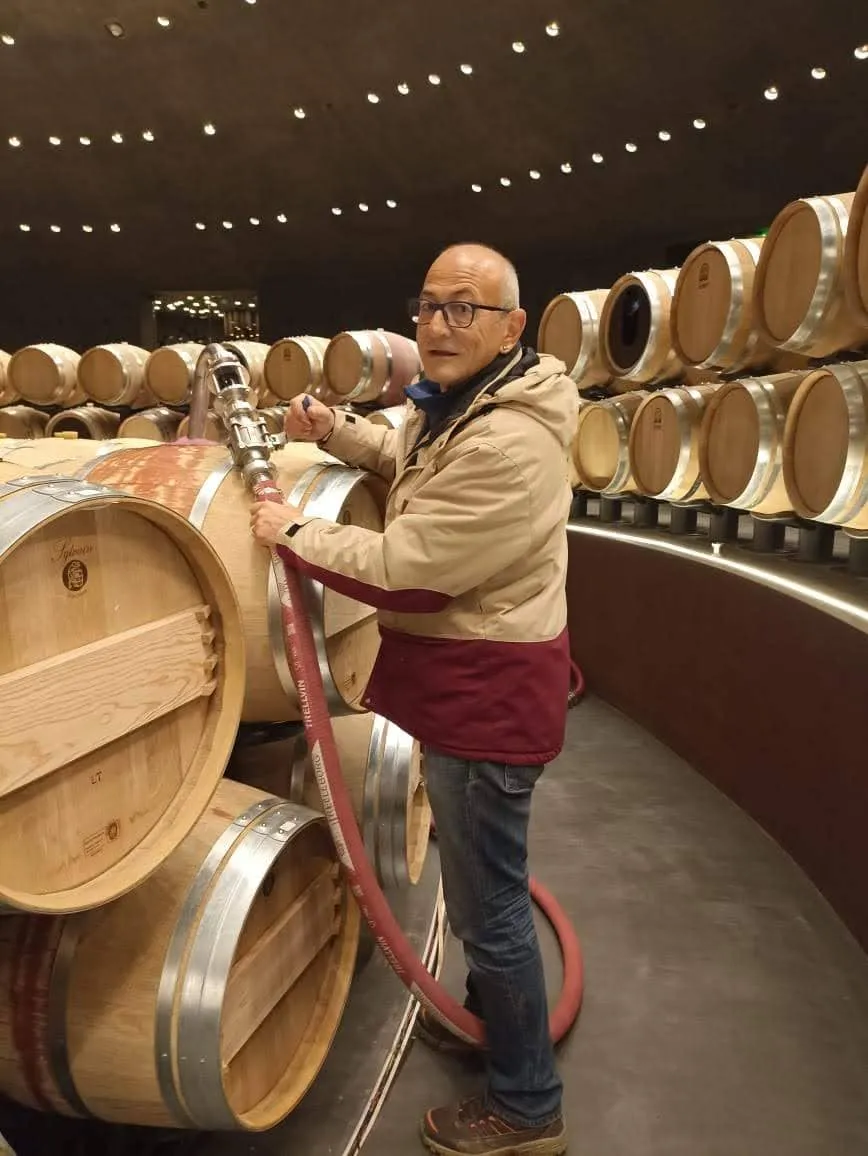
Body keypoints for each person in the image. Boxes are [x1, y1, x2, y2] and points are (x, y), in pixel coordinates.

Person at [250, 242, 577, 1156]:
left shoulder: (510, 439)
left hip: (488, 690)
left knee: (491, 908)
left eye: (465, 308)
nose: (440, 323)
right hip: (466, 682)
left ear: (513, 325)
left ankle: (524, 1104)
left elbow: (411, 573)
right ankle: (486, 1017)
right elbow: (405, 450)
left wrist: (297, 530)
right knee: (484, 887)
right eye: (430, 305)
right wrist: (337, 431)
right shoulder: (471, 399)